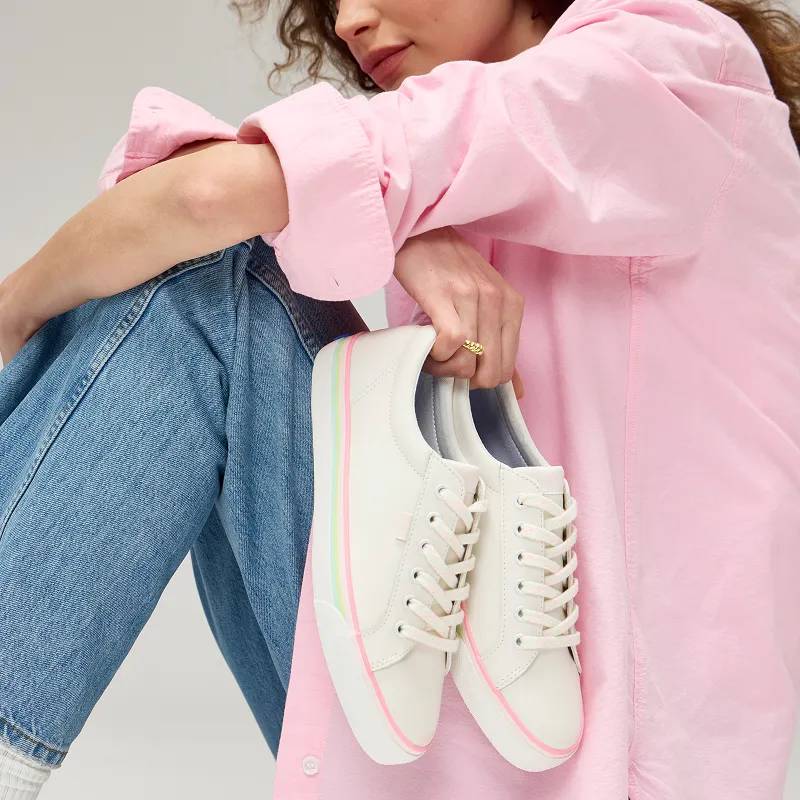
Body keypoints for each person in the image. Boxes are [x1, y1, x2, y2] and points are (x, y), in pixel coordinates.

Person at [1, 0, 799, 798]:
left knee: (215, 283)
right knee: (209, 268)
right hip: (444, 683)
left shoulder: (670, 66)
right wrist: (397, 222)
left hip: (597, 761)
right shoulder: (446, 161)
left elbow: (202, 198)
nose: (349, 18)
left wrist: (13, 313)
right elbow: (172, 201)